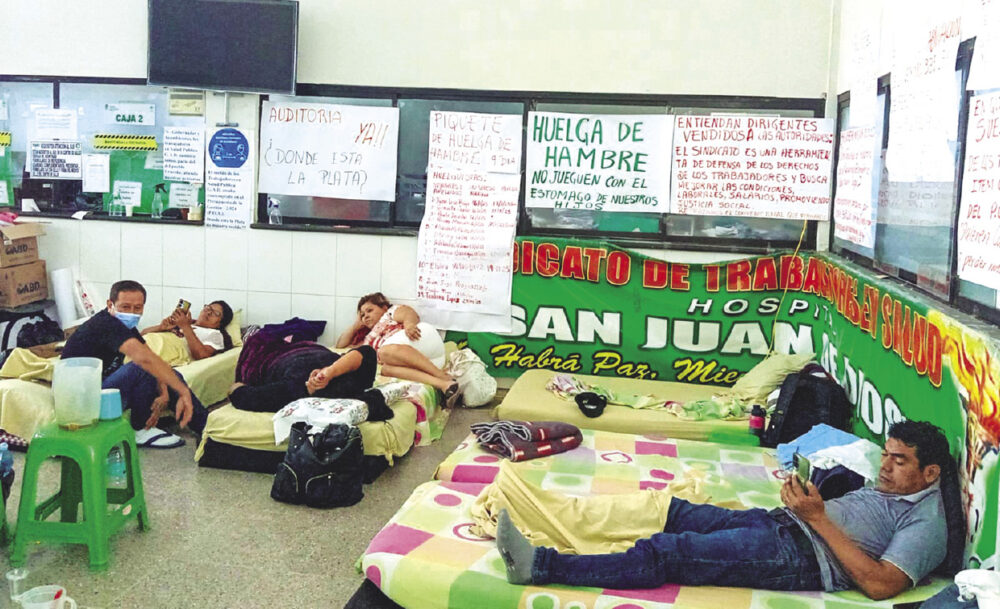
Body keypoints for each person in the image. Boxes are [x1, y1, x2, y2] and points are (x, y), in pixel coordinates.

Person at [497, 420, 964, 601]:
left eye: (898, 461)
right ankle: (561, 522)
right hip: (786, 524)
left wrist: (818, 518)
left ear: (930, 473)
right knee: (677, 510)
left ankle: (540, 565)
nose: (885, 467)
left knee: (669, 551)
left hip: (800, 556)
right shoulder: (896, 488)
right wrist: (802, 502)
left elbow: (881, 584)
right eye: (885, 455)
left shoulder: (927, 525)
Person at [60, 280, 207, 448]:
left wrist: (165, 393)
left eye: (137, 308)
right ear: (110, 304)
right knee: (140, 368)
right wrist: (182, 392)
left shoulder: (125, 326)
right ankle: (140, 428)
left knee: (172, 375)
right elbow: (144, 359)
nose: (131, 313)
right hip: (81, 398)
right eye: (125, 307)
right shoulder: (105, 324)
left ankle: (208, 430)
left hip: (102, 387)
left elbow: (150, 355)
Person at [335, 292, 459, 407]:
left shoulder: (389, 314)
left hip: (422, 340)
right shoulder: (368, 339)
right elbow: (340, 346)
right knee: (386, 369)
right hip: (428, 361)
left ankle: (442, 376)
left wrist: (409, 325)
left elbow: (409, 313)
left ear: (383, 308)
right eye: (362, 315)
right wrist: (356, 325)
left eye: (370, 311)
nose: (366, 316)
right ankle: (444, 385)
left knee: (384, 352)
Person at [229, 325, 377, 413]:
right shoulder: (356, 382)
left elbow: (239, 393)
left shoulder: (291, 391)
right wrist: (330, 372)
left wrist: (238, 385)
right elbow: (367, 353)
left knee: (259, 339)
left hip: (276, 357)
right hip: (313, 351)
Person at [141, 300, 234, 361]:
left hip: (162, 351)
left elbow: (202, 355)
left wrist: (185, 327)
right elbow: (141, 334)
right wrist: (160, 327)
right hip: (144, 344)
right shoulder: (185, 323)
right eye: (208, 308)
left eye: (216, 313)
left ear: (220, 323)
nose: (209, 312)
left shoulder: (215, 334)